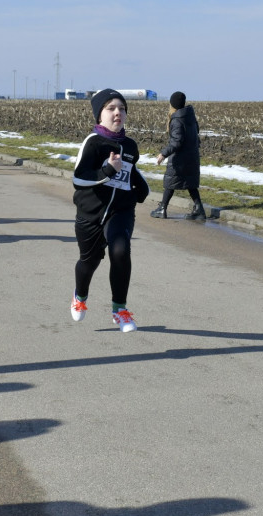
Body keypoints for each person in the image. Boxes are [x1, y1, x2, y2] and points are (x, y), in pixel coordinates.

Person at [70, 89, 149, 333]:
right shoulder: (93, 142)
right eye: (111, 108)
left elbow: (130, 171)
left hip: (121, 211)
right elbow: (79, 179)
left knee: (120, 250)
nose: (118, 112)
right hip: (91, 214)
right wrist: (107, 172)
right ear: (99, 115)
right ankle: (80, 296)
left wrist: (141, 187)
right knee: (89, 261)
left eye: (122, 108)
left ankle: (120, 310)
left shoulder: (130, 145)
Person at [151, 91, 205, 221]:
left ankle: (162, 209)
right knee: (190, 183)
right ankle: (199, 209)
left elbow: (177, 141)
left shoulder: (177, 120)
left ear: (172, 104)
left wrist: (163, 154)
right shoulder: (190, 117)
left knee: (170, 182)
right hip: (191, 156)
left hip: (180, 158)